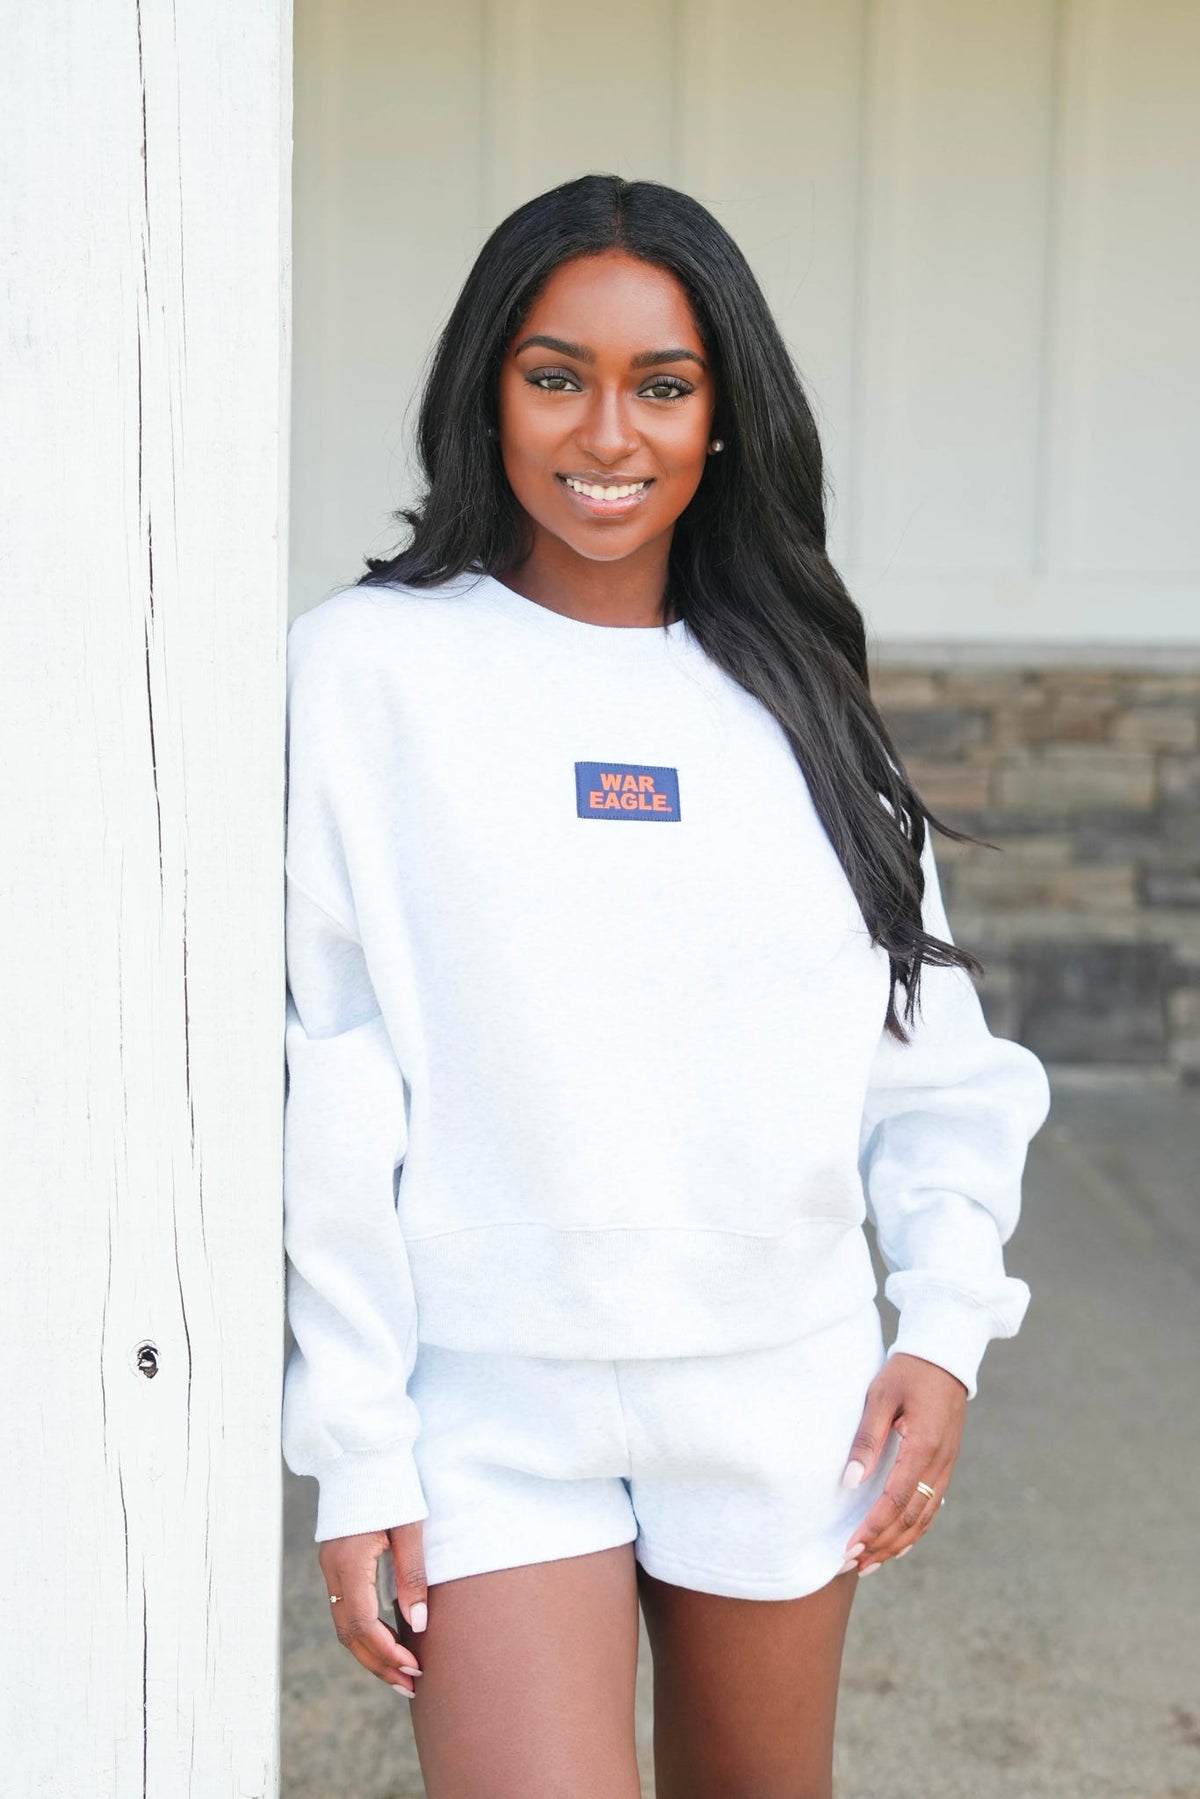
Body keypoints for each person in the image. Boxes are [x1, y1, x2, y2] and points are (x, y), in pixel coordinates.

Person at [281, 172, 1052, 1798]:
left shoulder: (799, 697)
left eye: (664, 384)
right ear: (486, 393)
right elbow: (330, 1067)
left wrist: (947, 1322)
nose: (607, 433)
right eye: (556, 376)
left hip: (784, 1388)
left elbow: (925, 1061)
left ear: (726, 414)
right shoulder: (365, 671)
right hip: (488, 1400)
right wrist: (355, 1441)